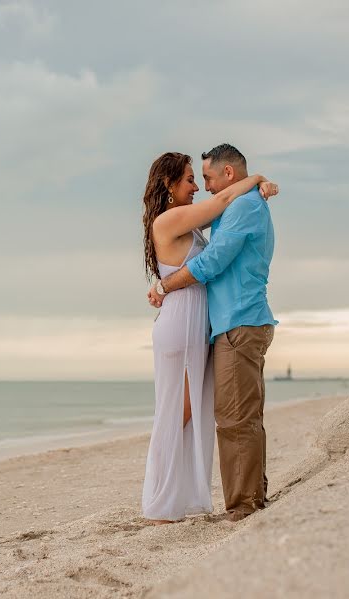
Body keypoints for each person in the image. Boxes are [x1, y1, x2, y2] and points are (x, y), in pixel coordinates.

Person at [141, 151, 278, 524]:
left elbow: (224, 205)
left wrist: (256, 181)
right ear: (169, 186)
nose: (198, 186)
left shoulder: (191, 221)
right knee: (176, 414)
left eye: (200, 177)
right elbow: (221, 202)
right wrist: (257, 179)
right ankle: (160, 502)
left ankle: (176, 498)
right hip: (181, 326)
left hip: (197, 326)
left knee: (188, 413)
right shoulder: (171, 218)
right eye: (189, 179)